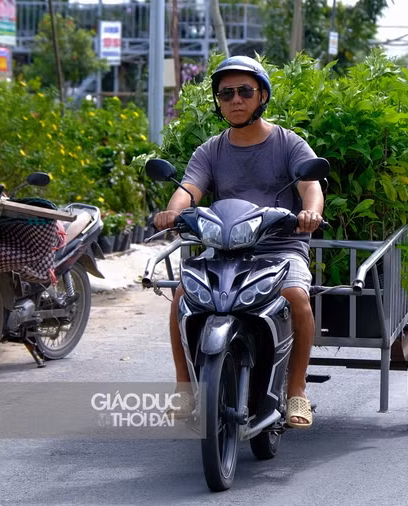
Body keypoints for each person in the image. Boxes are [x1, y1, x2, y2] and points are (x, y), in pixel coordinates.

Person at [153, 56, 323, 429]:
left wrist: (310, 211)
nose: (235, 100)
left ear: (262, 95)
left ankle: (297, 390)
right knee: (182, 295)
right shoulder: (211, 150)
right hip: (226, 247)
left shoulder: (288, 143)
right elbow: (189, 189)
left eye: (244, 91)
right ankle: (185, 388)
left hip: (280, 247)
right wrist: (172, 212)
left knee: (297, 297)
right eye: (226, 93)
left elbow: (310, 186)